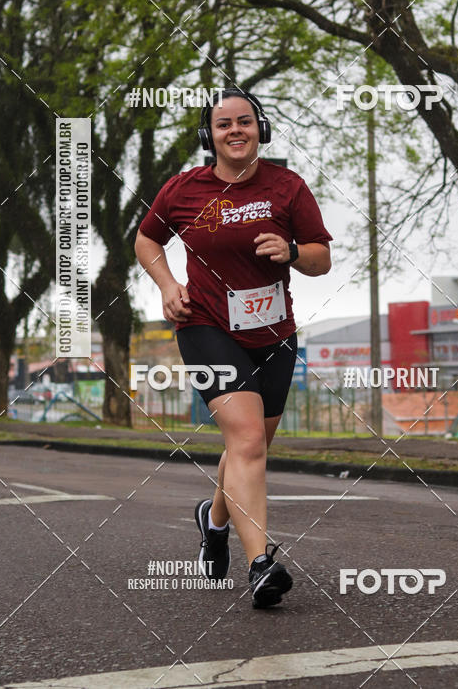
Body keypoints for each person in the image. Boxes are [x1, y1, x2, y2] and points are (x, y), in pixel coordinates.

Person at [134, 88, 332, 608]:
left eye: (245, 122)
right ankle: (262, 565)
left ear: (259, 129)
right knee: (246, 440)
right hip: (205, 327)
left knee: (251, 445)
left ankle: (214, 519)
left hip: (273, 333)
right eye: (224, 124)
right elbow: (146, 239)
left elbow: (320, 261)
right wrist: (167, 285)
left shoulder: (287, 187)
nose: (235, 131)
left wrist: (291, 251)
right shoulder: (184, 189)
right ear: (210, 135)